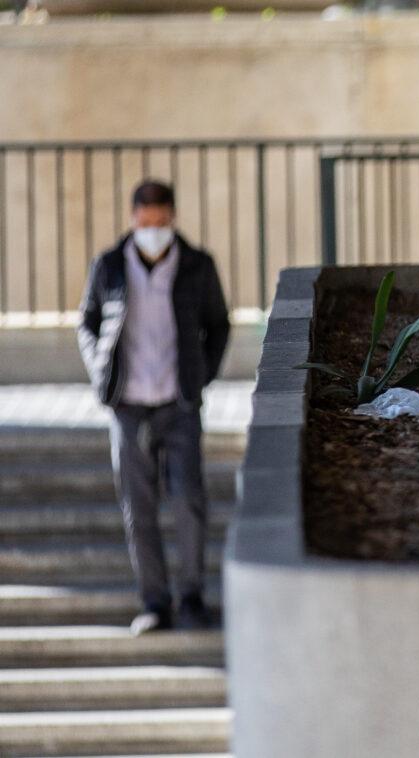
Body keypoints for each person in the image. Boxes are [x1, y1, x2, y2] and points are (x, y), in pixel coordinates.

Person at [78, 180, 230, 635]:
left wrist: (201, 376)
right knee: (137, 507)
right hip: (127, 406)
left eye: (161, 221)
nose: (153, 230)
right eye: (145, 222)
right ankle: (154, 603)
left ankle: (192, 598)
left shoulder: (197, 265)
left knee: (188, 501)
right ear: (133, 219)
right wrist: (100, 369)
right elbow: (87, 322)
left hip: (178, 404)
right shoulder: (109, 265)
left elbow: (218, 325)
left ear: (173, 218)